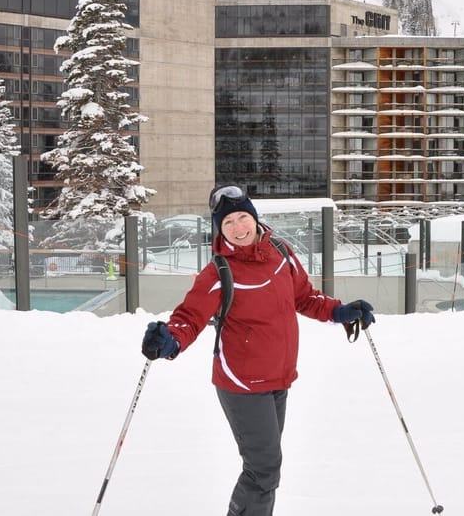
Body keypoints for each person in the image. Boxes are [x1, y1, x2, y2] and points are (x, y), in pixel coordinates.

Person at [141, 185, 375, 516]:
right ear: (219, 230)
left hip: (278, 378)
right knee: (264, 468)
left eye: (242, 218)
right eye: (229, 223)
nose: (238, 228)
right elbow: (189, 317)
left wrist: (340, 311)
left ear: (254, 217)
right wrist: (170, 340)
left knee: (264, 467)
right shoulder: (219, 272)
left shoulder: (281, 251)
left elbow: (304, 297)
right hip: (242, 383)